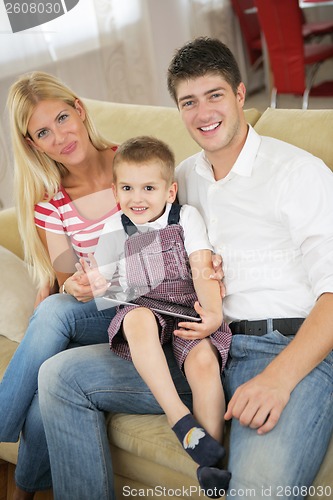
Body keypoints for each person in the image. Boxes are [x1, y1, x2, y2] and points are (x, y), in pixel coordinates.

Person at [37, 37, 333, 500]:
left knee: (254, 493)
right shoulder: (180, 179)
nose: (203, 113)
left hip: (278, 349)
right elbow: (138, 248)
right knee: (59, 376)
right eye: (188, 102)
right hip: (196, 344)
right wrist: (86, 280)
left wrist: (278, 378)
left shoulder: (297, 173)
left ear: (240, 94)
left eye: (214, 95)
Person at [0, 70, 120, 499]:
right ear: (33, 144)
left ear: (81, 110)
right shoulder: (53, 204)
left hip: (144, 305)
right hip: (95, 315)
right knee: (52, 314)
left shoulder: (135, 164)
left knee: (50, 322)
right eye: (44, 133)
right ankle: (24, 489)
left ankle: (22, 486)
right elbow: (67, 278)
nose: (61, 137)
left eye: (63, 118)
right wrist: (76, 286)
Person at [93, 135, 231, 494]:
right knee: (136, 317)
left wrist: (212, 315)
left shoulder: (185, 217)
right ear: (115, 192)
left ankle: (210, 459)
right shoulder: (112, 228)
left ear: (169, 192)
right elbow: (106, 287)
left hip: (188, 309)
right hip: (145, 309)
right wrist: (89, 281)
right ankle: (179, 418)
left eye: (148, 188)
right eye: (127, 188)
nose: (137, 198)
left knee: (203, 362)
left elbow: (201, 266)